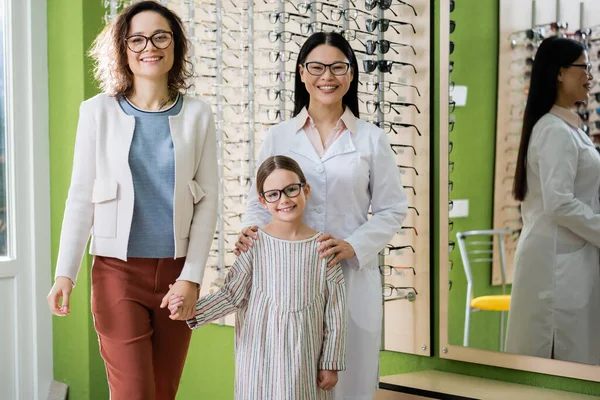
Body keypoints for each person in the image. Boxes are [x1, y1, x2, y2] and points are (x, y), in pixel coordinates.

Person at [46, 2, 218, 398]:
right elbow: (80, 197)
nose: (149, 47)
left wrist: (191, 278)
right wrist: (64, 273)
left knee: (162, 392)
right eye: (137, 39)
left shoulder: (197, 115)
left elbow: (208, 202)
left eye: (161, 37)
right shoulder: (97, 113)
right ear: (123, 49)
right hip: (117, 274)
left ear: (175, 46)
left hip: (177, 275)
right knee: (135, 394)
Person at [234, 32, 408, 399]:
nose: (326, 76)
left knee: (351, 382)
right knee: (291, 382)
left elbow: (393, 209)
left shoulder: (371, 140)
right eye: (316, 67)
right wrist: (251, 231)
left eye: (337, 67)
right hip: (288, 278)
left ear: (350, 75)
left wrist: (353, 245)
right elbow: (258, 201)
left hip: (351, 276)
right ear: (302, 73)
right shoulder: (279, 136)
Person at [169, 155, 347, 399]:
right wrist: (191, 310)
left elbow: (335, 312)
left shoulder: (323, 248)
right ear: (263, 201)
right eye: (273, 194)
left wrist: (330, 362)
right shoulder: (253, 244)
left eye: (291, 190)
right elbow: (231, 295)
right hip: (258, 363)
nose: (284, 199)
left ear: (305, 189)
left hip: (304, 364)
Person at [506, 36, 600, 365]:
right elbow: (559, 203)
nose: (590, 75)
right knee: (557, 361)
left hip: (572, 261)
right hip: (557, 266)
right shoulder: (555, 131)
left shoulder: (570, 129)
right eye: (583, 67)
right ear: (560, 73)